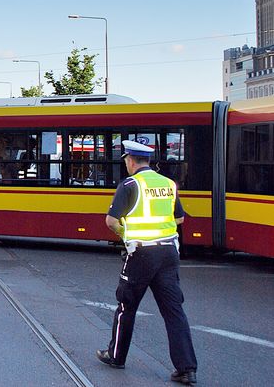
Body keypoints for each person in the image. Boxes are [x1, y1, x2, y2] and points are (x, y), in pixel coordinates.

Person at [96, 140, 197, 386]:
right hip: (168, 254)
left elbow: (111, 221)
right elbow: (180, 218)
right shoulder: (168, 185)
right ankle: (186, 369)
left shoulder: (130, 184)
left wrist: (126, 234)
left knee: (126, 306)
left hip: (141, 254)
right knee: (174, 311)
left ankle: (116, 355)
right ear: (148, 161)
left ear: (131, 161)